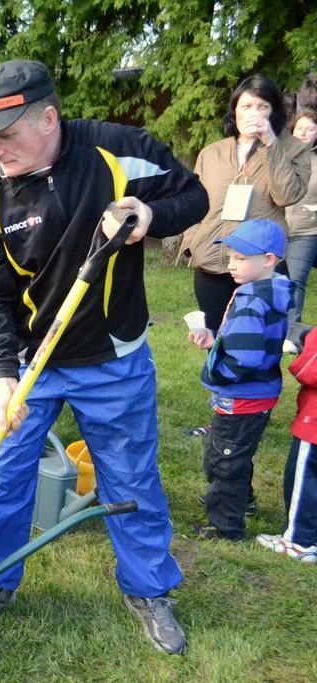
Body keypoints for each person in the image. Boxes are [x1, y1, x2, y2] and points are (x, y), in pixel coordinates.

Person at [0, 60, 208, 655]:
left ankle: (148, 589)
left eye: (7, 132)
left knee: (131, 477)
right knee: (4, 477)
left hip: (111, 357)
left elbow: (191, 193)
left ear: (48, 118)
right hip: (28, 363)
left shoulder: (118, 153)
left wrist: (152, 217)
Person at [180, 75, 310, 333]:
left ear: (274, 112)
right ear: (235, 110)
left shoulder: (292, 149)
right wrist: (192, 244)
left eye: (263, 106)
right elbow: (193, 202)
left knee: (261, 344)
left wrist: (270, 144)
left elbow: (288, 195)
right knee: (217, 341)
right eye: (247, 106)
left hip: (261, 266)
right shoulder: (212, 153)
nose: (254, 113)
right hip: (212, 265)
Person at [188, 219, 290, 541]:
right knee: (234, 453)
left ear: (269, 259)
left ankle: (225, 525)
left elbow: (244, 358)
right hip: (257, 394)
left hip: (243, 395)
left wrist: (218, 372)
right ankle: (239, 500)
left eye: (241, 259)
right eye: (231, 257)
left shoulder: (252, 300)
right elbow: (248, 340)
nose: (232, 265)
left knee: (225, 460)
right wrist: (215, 340)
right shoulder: (270, 292)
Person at [257, 324, 317, 563]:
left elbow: (307, 370)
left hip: (314, 424)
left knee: (304, 479)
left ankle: (297, 542)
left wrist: (307, 339)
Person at [284, 109, 317, 329]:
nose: (303, 133)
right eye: (300, 128)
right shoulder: (280, 157)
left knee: (294, 281)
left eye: (310, 129)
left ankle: (290, 332)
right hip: (278, 228)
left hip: (306, 230)